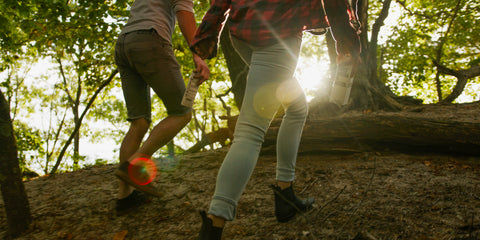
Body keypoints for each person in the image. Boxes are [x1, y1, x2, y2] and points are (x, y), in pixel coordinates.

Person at [190, 0, 361, 239]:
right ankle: (214, 225)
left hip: (242, 30)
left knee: (298, 108)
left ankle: (285, 196)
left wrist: (207, 34)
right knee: (250, 132)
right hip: (278, 32)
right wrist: (345, 39)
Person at [113, 0, 210, 215]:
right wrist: (198, 56)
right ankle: (133, 166)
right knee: (182, 112)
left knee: (139, 122)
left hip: (124, 44)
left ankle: (124, 198)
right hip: (151, 40)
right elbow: (185, 15)